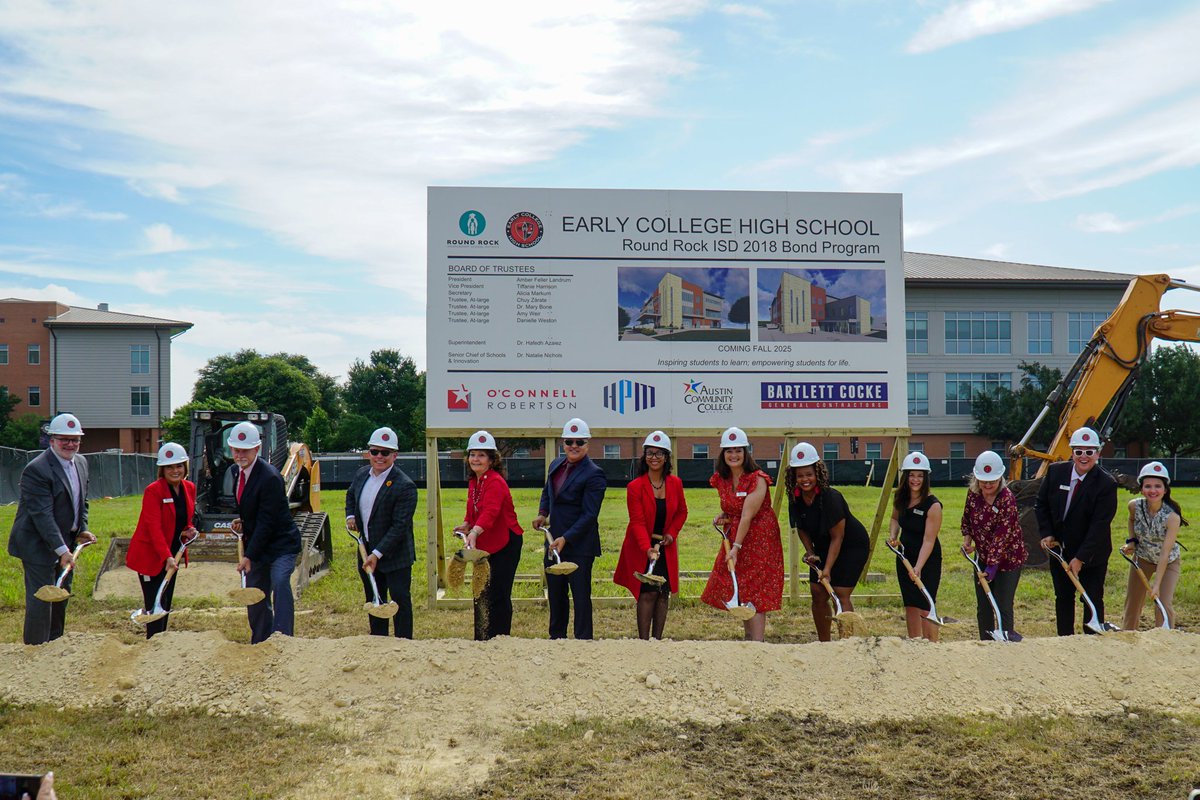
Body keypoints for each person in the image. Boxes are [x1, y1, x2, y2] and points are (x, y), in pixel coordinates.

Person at [7, 413, 97, 645]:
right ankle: (36, 651)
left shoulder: (81, 463)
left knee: (60, 596)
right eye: (63, 439)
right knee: (42, 600)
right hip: (37, 545)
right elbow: (42, 515)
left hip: (65, 543)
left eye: (75, 439)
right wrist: (61, 551)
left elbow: (81, 502)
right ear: (51, 440)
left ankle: (55, 647)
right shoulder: (37, 469)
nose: (70, 444)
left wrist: (81, 530)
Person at [700, 427, 784, 642]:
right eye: (729, 451)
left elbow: (747, 515)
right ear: (723, 454)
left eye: (738, 450)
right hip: (737, 535)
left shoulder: (758, 479)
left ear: (746, 453)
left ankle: (757, 643)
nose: (734, 455)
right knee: (743, 587)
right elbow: (735, 506)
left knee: (755, 589)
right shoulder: (722, 479)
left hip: (759, 539)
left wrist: (736, 548)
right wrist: (724, 514)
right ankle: (749, 640)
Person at [1035, 426, 1118, 635]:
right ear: (1072, 452)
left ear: (1097, 454)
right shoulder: (1055, 472)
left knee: (1091, 598)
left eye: (1089, 452)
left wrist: (1080, 558)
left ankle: (1092, 640)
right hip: (1060, 551)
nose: (1083, 456)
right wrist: (1046, 533)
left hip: (1092, 555)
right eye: (1078, 451)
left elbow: (1100, 525)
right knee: (1063, 597)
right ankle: (1065, 641)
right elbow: (1041, 504)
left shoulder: (1106, 484)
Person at [786, 441, 870, 642]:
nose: (805, 479)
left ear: (818, 473)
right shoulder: (795, 499)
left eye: (809, 474)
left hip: (851, 546)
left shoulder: (831, 497)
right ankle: (825, 643)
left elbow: (837, 537)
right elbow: (801, 528)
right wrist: (810, 552)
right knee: (817, 592)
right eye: (800, 475)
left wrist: (828, 569)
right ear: (793, 477)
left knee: (839, 593)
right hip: (822, 546)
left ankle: (847, 642)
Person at [228, 420, 302, 643]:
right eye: (236, 450)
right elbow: (252, 507)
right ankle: (260, 640)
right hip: (258, 543)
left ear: (257, 449)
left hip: (281, 545)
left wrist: (249, 555)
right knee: (255, 591)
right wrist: (243, 521)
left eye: (245, 450)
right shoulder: (235, 472)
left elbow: (268, 521)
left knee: (279, 582)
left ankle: (282, 638)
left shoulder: (270, 477)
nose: (240, 455)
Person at [533, 418, 607, 640]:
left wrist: (566, 537)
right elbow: (547, 493)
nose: (574, 446)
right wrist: (542, 513)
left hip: (579, 546)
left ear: (587, 444)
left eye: (579, 441)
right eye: (569, 441)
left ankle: (583, 641)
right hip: (554, 543)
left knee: (581, 597)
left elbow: (589, 515)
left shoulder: (595, 473)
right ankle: (557, 639)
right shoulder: (555, 465)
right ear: (563, 442)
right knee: (556, 595)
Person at [613, 431, 688, 640]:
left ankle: (657, 640)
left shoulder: (675, 483)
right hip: (641, 546)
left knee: (663, 592)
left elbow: (682, 512)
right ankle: (643, 641)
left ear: (667, 458)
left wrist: (671, 534)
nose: (654, 457)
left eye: (659, 453)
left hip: (665, 546)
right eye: (650, 453)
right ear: (644, 456)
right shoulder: (635, 487)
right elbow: (637, 522)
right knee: (647, 592)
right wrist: (648, 549)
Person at [345, 426, 418, 638]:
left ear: (394, 455)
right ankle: (378, 643)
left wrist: (377, 554)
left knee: (399, 602)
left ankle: (404, 645)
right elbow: (351, 496)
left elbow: (399, 526)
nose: (379, 457)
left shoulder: (405, 486)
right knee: (374, 600)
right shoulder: (361, 476)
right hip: (366, 551)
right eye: (375, 451)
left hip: (395, 556)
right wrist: (351, 516)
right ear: (368, 453)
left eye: (385, 453)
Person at [125, 442, 199, 639]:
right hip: (151, 555)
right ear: (162, 469)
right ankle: (153, 641)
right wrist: (166, 556)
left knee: (165, 600)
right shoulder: (154, 491)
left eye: (179, 466)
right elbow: (153, 527)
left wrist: (188, 530)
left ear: (185, 466)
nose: (175, 471)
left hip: (174, 553)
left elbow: (184, 518)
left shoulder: (189, 488)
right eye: (169, 467)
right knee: (154, 602)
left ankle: (161, 642)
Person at [456, 430, 523, 640]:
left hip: (505, 542)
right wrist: (467, 525)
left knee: (498, 594)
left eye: (482, 455)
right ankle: (481, 639)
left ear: (492, 460)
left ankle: (499, 640)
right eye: (473, 454)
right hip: (486, 541)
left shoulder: (495, 481)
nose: (476, 459)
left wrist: (475, 531)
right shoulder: (475, 480)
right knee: (480, 591)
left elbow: (491, 512)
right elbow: (473, 509)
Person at [961, 450, 1026, 641]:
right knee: (984, 605)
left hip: (1008, 559)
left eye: (992, 481)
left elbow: (1002, 535)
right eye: (983, 481)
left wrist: (993, 564)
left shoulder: (1007, 499)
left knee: (1003, 604)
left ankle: (1006, 639)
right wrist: (967, 541)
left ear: (1000, 478)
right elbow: (967, 519)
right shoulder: (973, 495)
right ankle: (986, 642)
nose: (988, 485)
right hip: (982, 557)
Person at [1121, 461, 1184, 630]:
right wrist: (1132, 541)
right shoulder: (1135, 506)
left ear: (1165, 489)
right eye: (1148, 486)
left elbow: (1165, 553)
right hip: (1143, 558)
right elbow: (1132, 520)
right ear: (1142, 489)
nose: (1153, 490)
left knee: (1162, 601)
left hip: (1168, 561)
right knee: (1133, 601)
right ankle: (1127, 637)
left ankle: (1165, 638)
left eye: (1158, 486)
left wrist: (1156, 584)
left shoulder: (1172, 517)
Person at [887, 452, 943, 641]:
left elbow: (929, 540)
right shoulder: (900, 497)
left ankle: (931, 644)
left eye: (920, 475)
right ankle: (914, 642)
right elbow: (895, 519)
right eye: (912, 475)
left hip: (927, 559)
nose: (915, 479)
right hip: (904, 556)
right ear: (906, 476)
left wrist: (918, 567)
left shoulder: (933, 505)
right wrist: (893, 536)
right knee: (910, 602)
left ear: (926, 477)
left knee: (925, 603)